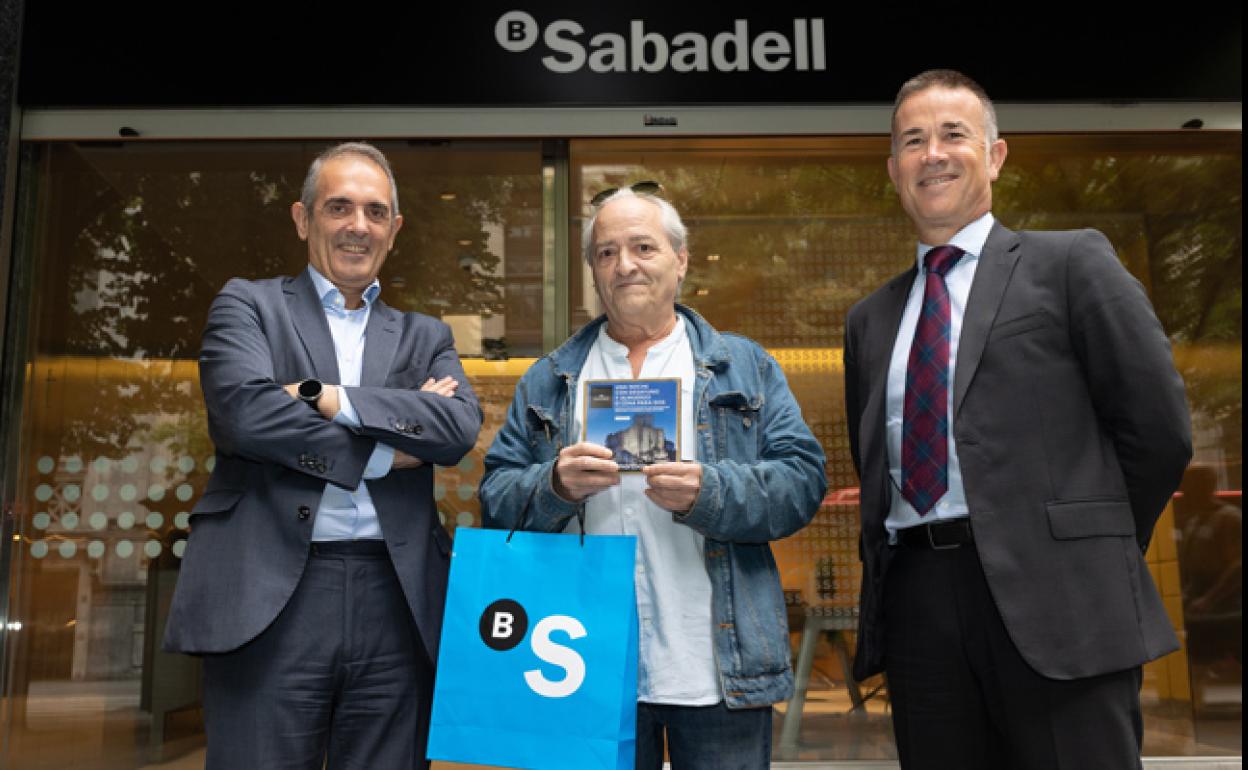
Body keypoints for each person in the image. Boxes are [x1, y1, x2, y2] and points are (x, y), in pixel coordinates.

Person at [843, 70, 1192, 769]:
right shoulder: (870, 319)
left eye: (952, 135)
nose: (932, 153)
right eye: (913, 141)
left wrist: (1083, 545)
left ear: (996, 155)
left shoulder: (1071, 264)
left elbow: (1158, 433)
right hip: (919, 609)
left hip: (1062, 602)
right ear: (893, 169)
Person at [480, 184, 826, 770]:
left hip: (718, 666)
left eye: (643, 246)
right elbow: (495, 498)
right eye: (607, 252)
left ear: (681, 259)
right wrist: (554, 487)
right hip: (581, 662)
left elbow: (801, 483)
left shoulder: (745, 367)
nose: (625, 264)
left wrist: (709, 494)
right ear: (592, 270)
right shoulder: (548, 379)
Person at [163, 142, 482, 769]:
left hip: (396, 599)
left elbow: (455, 426)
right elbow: (245, 413)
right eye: (339, 207)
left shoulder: (427, 335)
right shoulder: (247, 304)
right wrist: (388, 452)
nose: (357, 225)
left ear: (395, 229)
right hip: (270, 596)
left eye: (374, 211)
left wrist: (326, 398)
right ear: (304, 219)